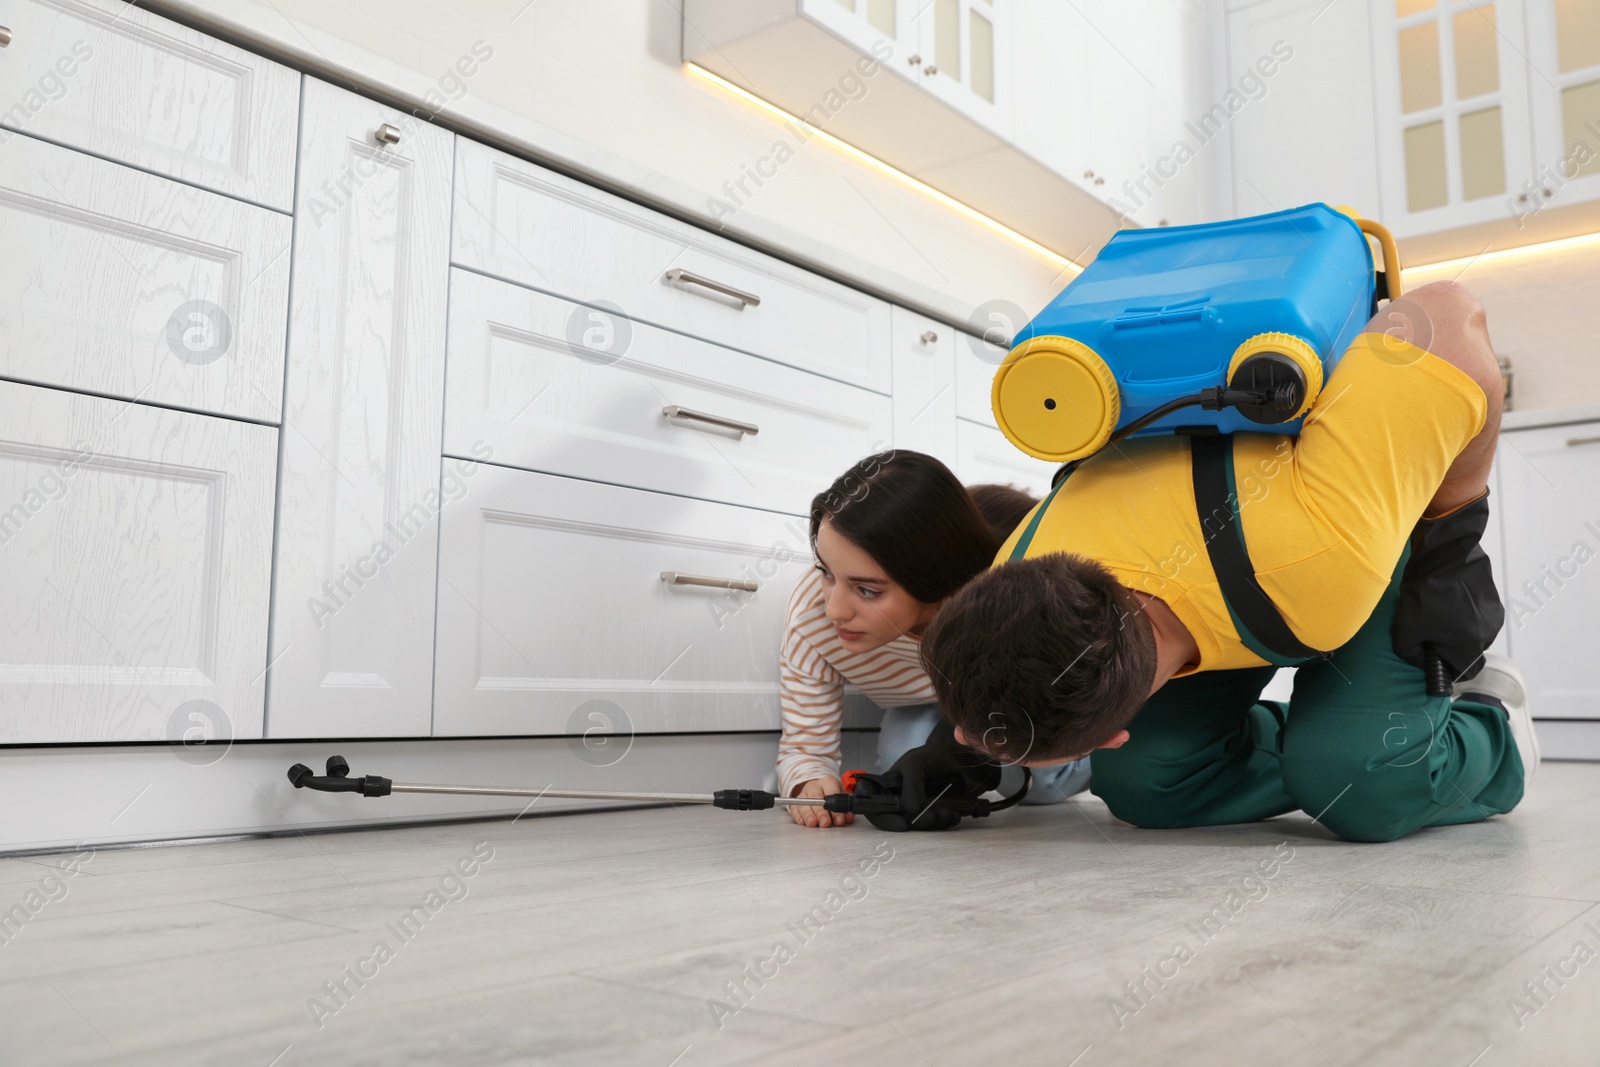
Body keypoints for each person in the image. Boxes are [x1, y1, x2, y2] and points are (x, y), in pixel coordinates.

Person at [906, 280, 1535, 843]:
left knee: (1364, 789)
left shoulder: (1319, 553)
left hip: (1319, 557)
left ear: (1108, 734)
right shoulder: (1016, 564)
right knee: (1147, 784)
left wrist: (1453, 524)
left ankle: (1488, 729)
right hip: (1241, 580)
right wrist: (964, 734)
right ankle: (1331, 745)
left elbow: (1450, 315)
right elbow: (1005, 660)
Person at [776, 452, 1091, 828]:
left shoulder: (1005, 592)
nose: (835, 610)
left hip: (1027, 692)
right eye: (826, 572)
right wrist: (808, 783)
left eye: (867, 590)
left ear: (931, 577)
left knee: (1038, 781)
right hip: (933, 699)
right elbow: (804, 748)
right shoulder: (812, 615)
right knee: (903, 762)